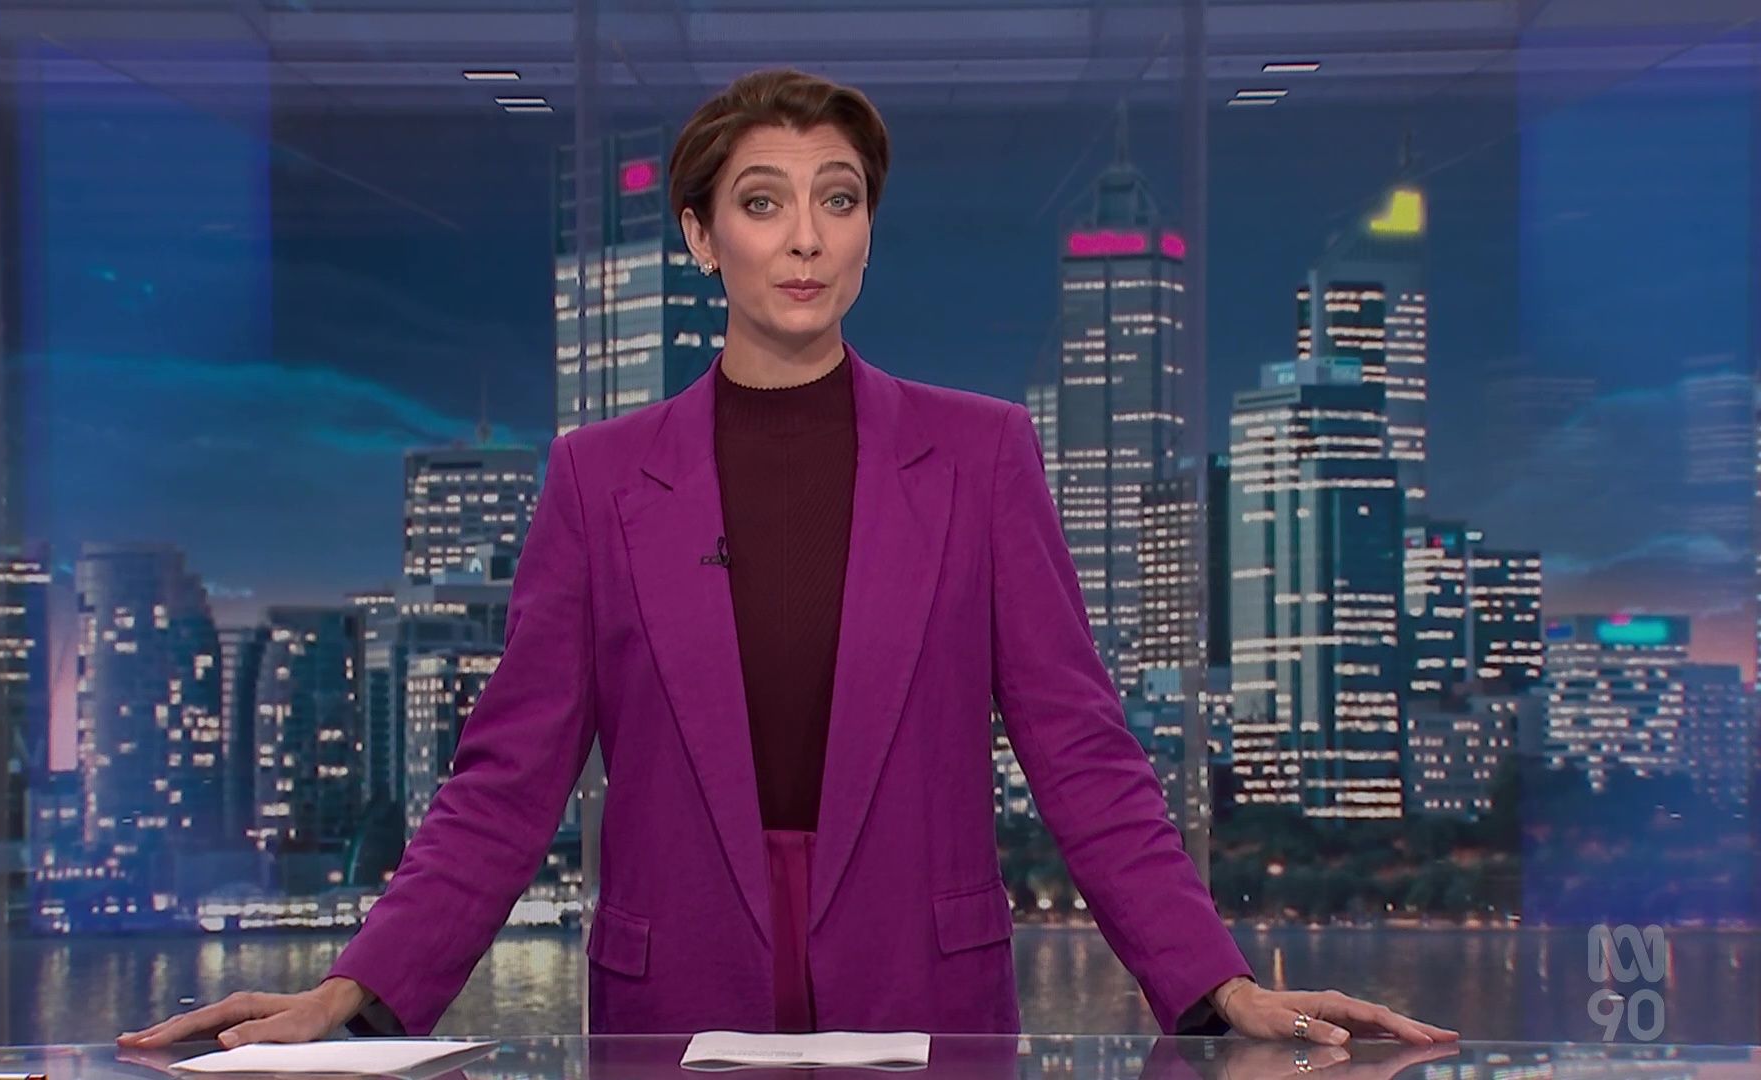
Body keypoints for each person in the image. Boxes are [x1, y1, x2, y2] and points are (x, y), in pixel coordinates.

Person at [121, 67, 1458, 1051]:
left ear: (869, 231)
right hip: (676, 999)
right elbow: (506, 783)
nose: (806, 236)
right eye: (763, 204)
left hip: (925, 995)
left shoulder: (983, 455)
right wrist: (357, 990)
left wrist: (1220, 986)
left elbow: (1083, 754)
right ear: (703, 238)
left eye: (839, 200)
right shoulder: (597, 479)